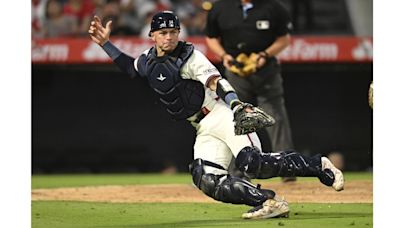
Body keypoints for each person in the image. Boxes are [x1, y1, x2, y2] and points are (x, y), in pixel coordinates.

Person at [88, 11, 344, 219]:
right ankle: (268, 202)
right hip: (202, 126)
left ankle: (319, 166)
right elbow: (130, 68)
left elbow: (216, 82)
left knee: (252, 164)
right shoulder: (147, 60)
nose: (169, 37)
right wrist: (105, 44)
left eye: (173, 32)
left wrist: (236, 106)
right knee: (206, 178)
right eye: (163, 33)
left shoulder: (189, 56)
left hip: (221, 114)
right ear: (152, 35)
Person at [205, 0, 296, 182]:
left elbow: (284, 40)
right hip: (235, 73)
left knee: (276, 117)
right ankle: (235, 172)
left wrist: (264, 55)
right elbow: (211, 38)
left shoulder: (273, 7)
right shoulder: (221, 7)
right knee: (234, 119)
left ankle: (288, 170)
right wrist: (224, 56)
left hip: (266, 70)